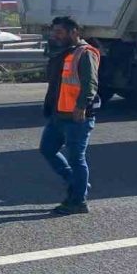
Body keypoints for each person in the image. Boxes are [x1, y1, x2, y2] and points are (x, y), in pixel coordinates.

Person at [40, 15, 100, 216]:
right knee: (47, 149)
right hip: (59, 114)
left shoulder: (85, 53)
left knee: (76, 158)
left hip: (77, 116)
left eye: (59, 32)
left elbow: (90, 83)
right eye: (53, 32)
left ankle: (78, 201)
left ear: (74, 32)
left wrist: (81, 107)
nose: (54, 35)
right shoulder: (63, 52)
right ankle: (76, 182)